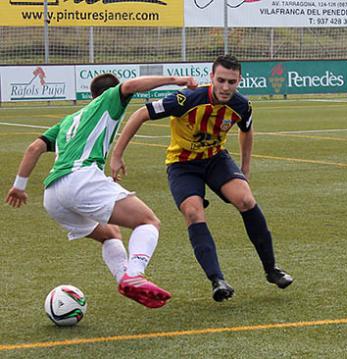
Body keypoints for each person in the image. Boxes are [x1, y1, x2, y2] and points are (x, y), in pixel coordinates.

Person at [5, 73, 198, 308]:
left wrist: (19, 186)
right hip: (81, 179)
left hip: (53, 195)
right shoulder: (108, 100)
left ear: (90, 94)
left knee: (110, 234)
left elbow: (34, 147)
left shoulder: (69, 120)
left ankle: (124, 279)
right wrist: (174, 80)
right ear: (108, 93)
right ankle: (135, 274)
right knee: (148, 222)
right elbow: (130, 86)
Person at [111, 55, 293, 302]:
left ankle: (272, 269)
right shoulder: (187, 99)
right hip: (182, 165)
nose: (226, 87)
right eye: (221, 80)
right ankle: (217, 280)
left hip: (216, 159)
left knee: (246, 200)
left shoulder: (242, 105)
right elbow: (141, 114)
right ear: (211, 78)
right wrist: (117, 155)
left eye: (231, 81)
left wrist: (245, 168)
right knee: (194, 212)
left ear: (240, 80)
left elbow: (246, 131)